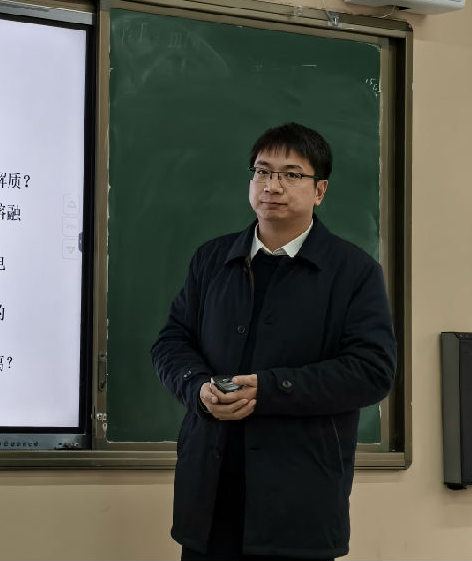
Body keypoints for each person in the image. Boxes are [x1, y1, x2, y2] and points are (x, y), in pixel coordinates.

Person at [150, 123, 397, 561]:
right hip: (208, 502)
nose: (273, 185)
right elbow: (171, 341)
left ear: (320, 190)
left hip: (298, 505)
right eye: (262, 171)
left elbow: (372, 372)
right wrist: (197, 386)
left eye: (291, 174)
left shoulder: (353, 272)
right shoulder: (212, 259)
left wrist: (271, 389)